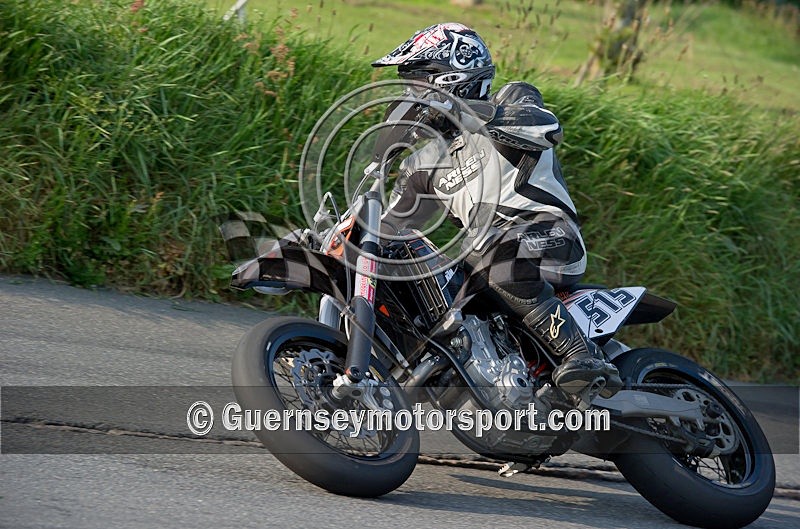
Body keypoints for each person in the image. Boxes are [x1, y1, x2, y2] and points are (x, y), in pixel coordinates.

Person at [371, 23, 622, 400]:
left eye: (419, 83)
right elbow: (390, 225)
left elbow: (545, 128)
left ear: (452, 77)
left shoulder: (512, 101)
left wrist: (465, 112)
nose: (410, 94)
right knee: (424, 288)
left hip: (549, 234)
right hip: (486, 259)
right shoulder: (423, 165)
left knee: (492, 253)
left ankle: (581, 356)